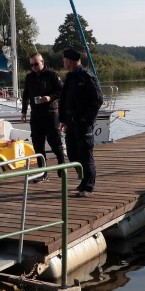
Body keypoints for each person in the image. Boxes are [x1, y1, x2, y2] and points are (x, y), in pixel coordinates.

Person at [58, 48, 104, 197]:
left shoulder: (86, 77)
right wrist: (63, 119)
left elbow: (98, 99)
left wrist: (87, 119)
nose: (64, 63)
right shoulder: (70, 77)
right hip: (71, 123)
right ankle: (83, 180)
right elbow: (64, 100)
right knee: (72, 153)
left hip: (83, 123)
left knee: (85, 154)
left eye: (65, 61)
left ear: (70, 62)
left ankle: (88, 185)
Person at [21, 52, 67, 179]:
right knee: (37, 145)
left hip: (50, 114)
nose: (34, 67)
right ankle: (42, 172)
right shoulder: (29, 77)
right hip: (36, 115)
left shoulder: (52, 75)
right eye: (31, 65)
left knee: (55, 142)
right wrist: (24, 111)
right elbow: (25, 95)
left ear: (42, 62)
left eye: (36, 64)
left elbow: (62, 91)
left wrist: (50, 97)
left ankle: (61, 166)